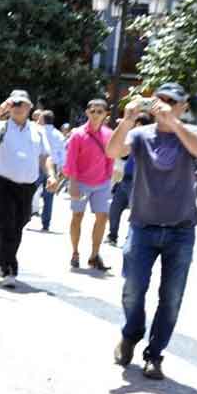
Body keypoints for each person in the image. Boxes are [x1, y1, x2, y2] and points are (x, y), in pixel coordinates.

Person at [106, 83, 197, 380]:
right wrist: (127, 119)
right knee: (132, 289)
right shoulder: (140, 135)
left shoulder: (193, 134)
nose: (163, 105)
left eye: (171, 101)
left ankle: (155, 354)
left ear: (183, 106)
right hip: (143, 227)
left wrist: (174, 123)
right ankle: (131, 334)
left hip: (181, 230)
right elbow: (113, 151)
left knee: (172, 297)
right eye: (160, 100)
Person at [0, 90, 57, 287]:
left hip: (27, 185)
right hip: (4, 182)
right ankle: (10, 267)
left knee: (19, 223)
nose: (17, 107)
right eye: (14, 103)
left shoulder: (38, 131)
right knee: (6, 224)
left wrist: (51, 175)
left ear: (30, 107)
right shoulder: (1, 127)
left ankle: (0, 259)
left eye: (22, 103)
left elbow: (44, 156)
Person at [63, 98, 114, 270]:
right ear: (87, 113)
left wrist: (108, 178)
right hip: (81, 182)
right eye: (92, 111)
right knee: (77, 216)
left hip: (102, 183)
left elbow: (110, 158)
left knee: (102, 217)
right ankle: (75, 252)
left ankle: (94, 255)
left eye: (100, 111)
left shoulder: (109, 134)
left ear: (105, 114)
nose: (96, 114)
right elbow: (71, 160)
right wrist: (73, 183)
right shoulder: (77, 134)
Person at [35, 110, 65, 232]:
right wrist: (61, 170)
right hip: (53, 168)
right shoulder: (59, 135)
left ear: (42, 119)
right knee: (49, 197)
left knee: (28, 191)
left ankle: (23, 216)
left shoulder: (37, 132)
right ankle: (46, 223)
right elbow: (63, 153)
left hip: (36, 165)